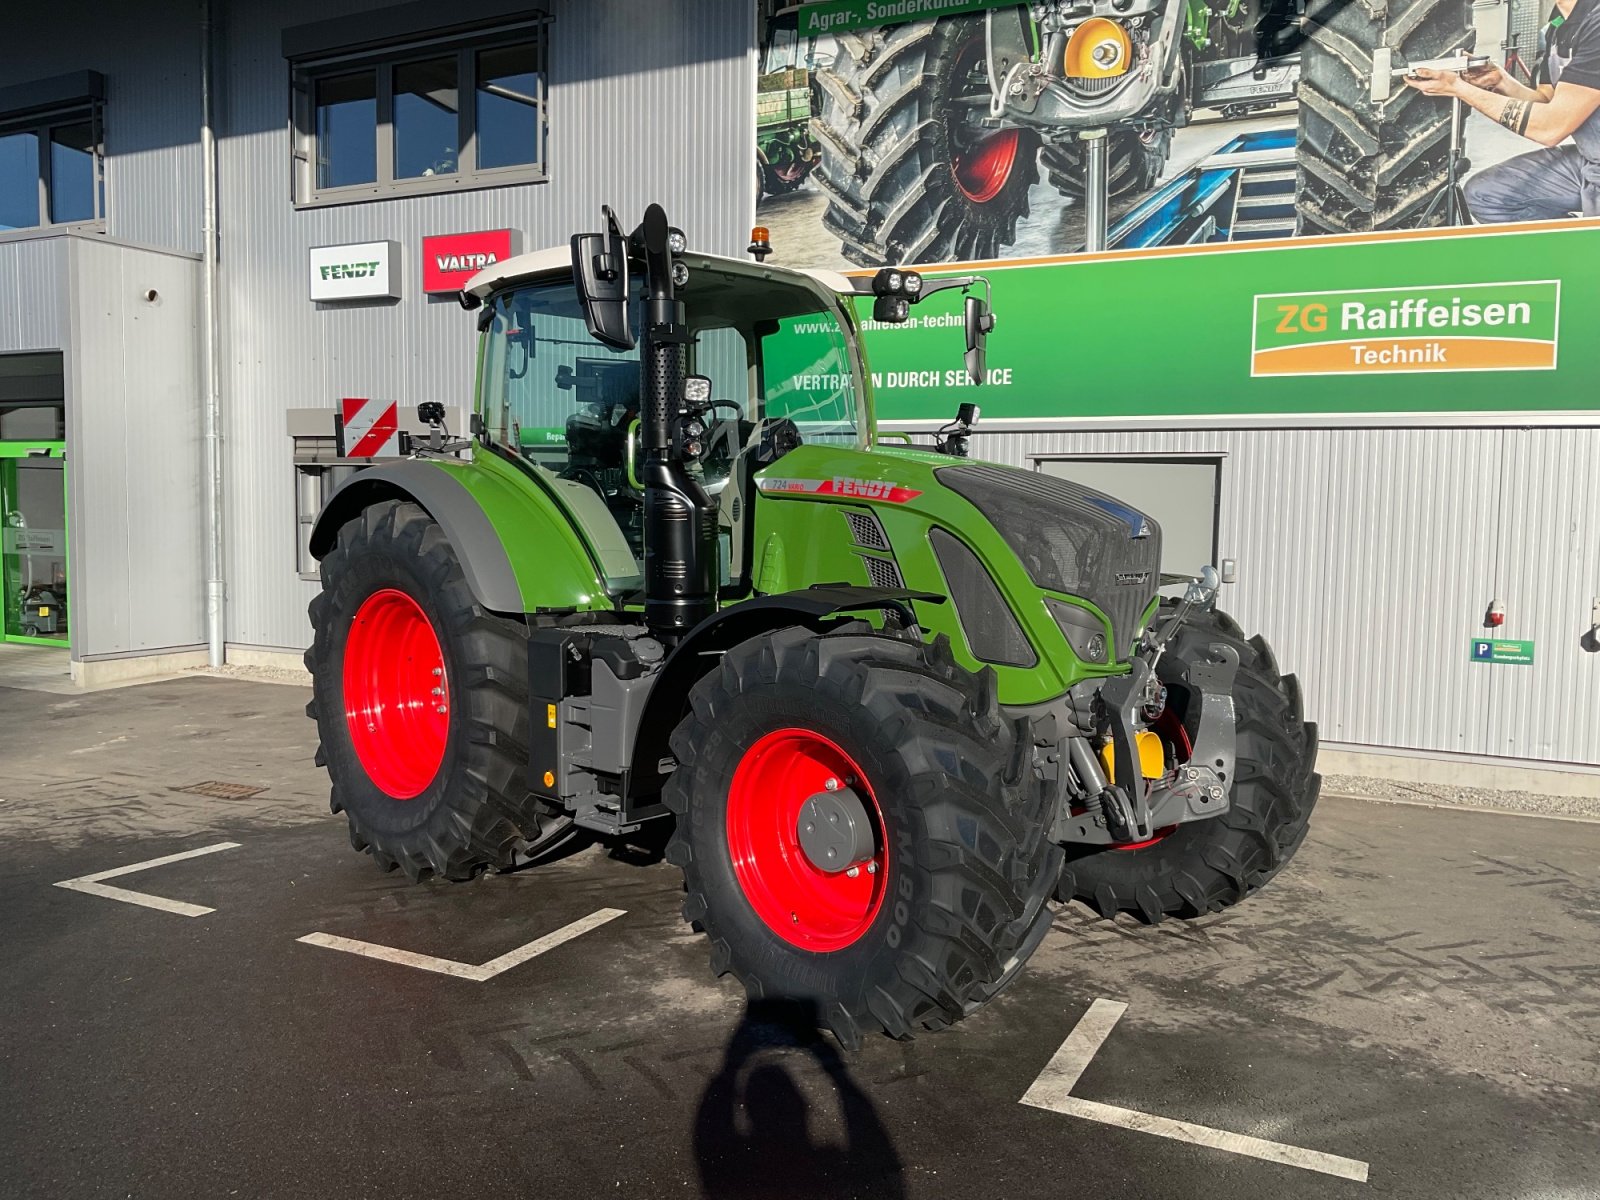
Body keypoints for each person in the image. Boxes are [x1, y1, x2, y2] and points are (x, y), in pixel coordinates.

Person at [1406, 0, 1600, 221]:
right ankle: (1565, 249)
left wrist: (1458, 88)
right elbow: (1547, 100)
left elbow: (1550, 127)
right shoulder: (1559, 22)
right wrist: (1501, 81)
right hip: (1590, 160)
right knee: (1487, 195)